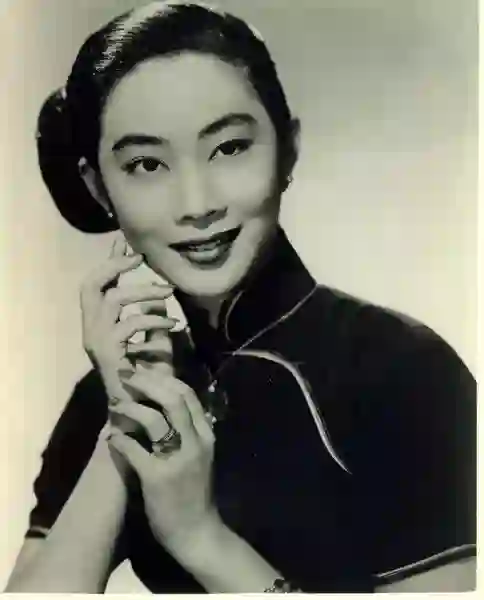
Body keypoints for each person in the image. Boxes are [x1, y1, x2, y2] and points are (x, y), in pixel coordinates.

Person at [5, 0, 476, 594]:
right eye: (146, 164)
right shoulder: (110, 399)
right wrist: (124, 413)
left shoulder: (404, 371)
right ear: (99, 188)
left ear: (288, 150)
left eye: (228, 148)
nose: (197, 203)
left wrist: (199, 536)